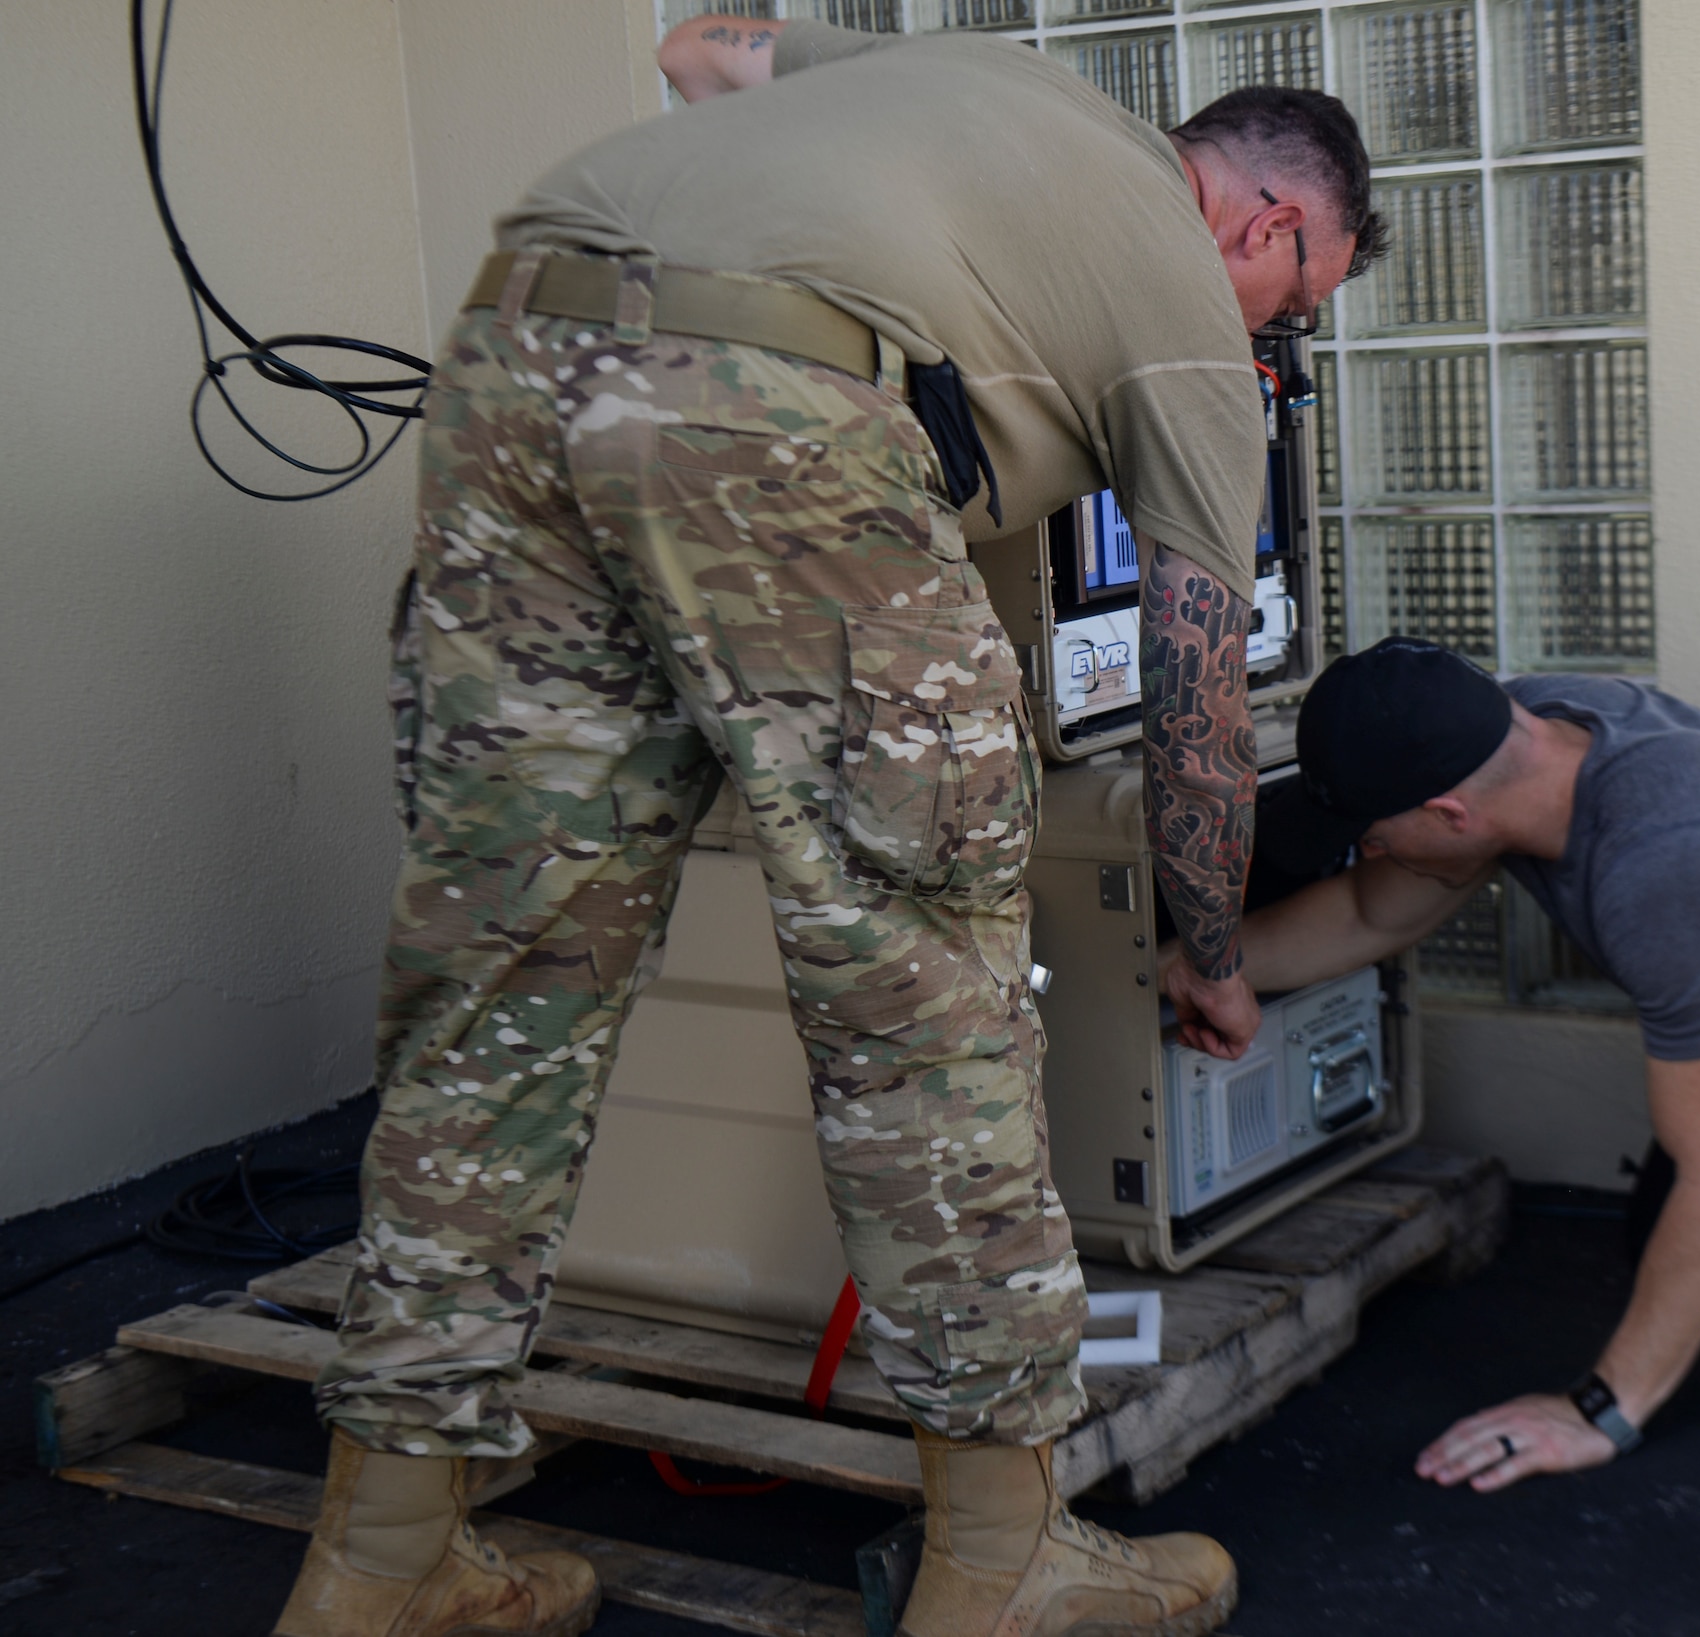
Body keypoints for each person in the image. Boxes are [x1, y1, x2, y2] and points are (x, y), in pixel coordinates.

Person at [273, 17, 1385, 1637]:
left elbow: (706, 49)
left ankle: (380, 1550)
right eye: (1299, 307)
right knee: (929, 1011)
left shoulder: (991, 83)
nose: (1278, 343)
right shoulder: (1179, 289)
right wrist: (1207, 943)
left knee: (498, 988)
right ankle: (1001, 1561)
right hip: (781, 399)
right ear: (1269, 224)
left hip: (517, 353)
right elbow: (1197, 692)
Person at [1170, 636, 1700, 1497]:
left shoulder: (1669, 869)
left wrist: (1599, 1408)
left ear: (1451, 815)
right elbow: (1369, 914)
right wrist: (1200, 966)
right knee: (1690, 1249)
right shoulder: (1518, 730)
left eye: (1374, 836)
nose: (1370, 852)